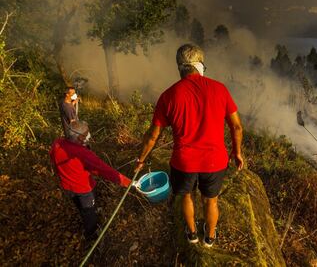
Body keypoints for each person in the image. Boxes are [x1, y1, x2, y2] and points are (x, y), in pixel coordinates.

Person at [134, 44, 243, 247]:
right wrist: (237, 153)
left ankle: (192, 233)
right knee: (211, 201)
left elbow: (152, 135)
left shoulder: (168, 96)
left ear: (180, 67)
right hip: (214, 161)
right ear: (200, 65)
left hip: (184, 163)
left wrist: (141, 159)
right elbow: (236, 127)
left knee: (186, 197)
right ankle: (210, 237)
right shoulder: (220, 89)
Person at [49, 120, 131, 240]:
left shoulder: (57, 143)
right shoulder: (82, 153)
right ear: (80, 137)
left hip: (67, 186)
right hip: (83, 189)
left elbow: (53, 161)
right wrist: (127, 182)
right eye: (86, 133)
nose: (89, 135)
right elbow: (104, 170)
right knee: (89, 212)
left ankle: (86, 215)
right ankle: (92, 234)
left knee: (80, 206)